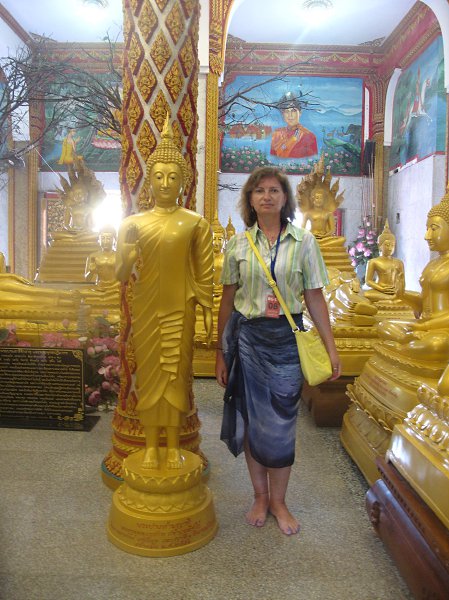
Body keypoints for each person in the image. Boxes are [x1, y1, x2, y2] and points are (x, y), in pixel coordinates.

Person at [215, 166, 341, 536]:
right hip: (248, 340)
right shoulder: (238, 245)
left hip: (287, 340)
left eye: (274, 190)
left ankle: (279, 501)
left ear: (285, 198)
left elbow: (315, 298)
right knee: (253, 421)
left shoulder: (304, 242)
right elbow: (227, 302)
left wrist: (331, 348)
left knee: (282, 425)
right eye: (259, 191)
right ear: (250, 199)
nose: (267, 196)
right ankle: (259, 496)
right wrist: (221, 352)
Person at [115, 116, 214, 471]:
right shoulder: (133, 224)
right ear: (149, 180)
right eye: (158, 176)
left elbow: (204, 272)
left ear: (183, 181)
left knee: (175, 377)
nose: (165, 183)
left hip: (180, 309)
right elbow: (120, 275)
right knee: (150, 376)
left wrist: (207, 312)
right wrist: (127, 258)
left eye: (173, 177)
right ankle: (150, 446)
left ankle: (172, 446)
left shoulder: (195, 223)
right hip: (146, 309)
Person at [378, 188, 449, 361]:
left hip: (442, 329)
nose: (427, 236)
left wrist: (425, 326)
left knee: (435, 345)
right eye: (427, 228)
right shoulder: (432, 264)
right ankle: (407, 344)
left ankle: (404, 346)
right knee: (383, 325)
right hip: (424, 325)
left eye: (434, 229)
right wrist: (402, 295)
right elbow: (423, 303)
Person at [364, 221, 405, 303]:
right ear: (379, 246)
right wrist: (382, 288)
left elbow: (402, 281)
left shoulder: (399, 262)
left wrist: (398, 289)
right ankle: (392, 299)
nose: (390, 248)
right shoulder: (373, 262)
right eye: (387, 245)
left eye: (392, 245)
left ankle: (392, 298)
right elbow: (368, 281)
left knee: (415, 295)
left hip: (395, 291)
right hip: (380, 290)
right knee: (367, 294)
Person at [270, 93, 318, 159]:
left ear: (300, 113)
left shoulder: (309, 136)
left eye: (293, 111)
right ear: (283, 114)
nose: (290, 115)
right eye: (287, 111)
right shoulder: (277, 134)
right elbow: (273, 159)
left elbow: (312, 161)